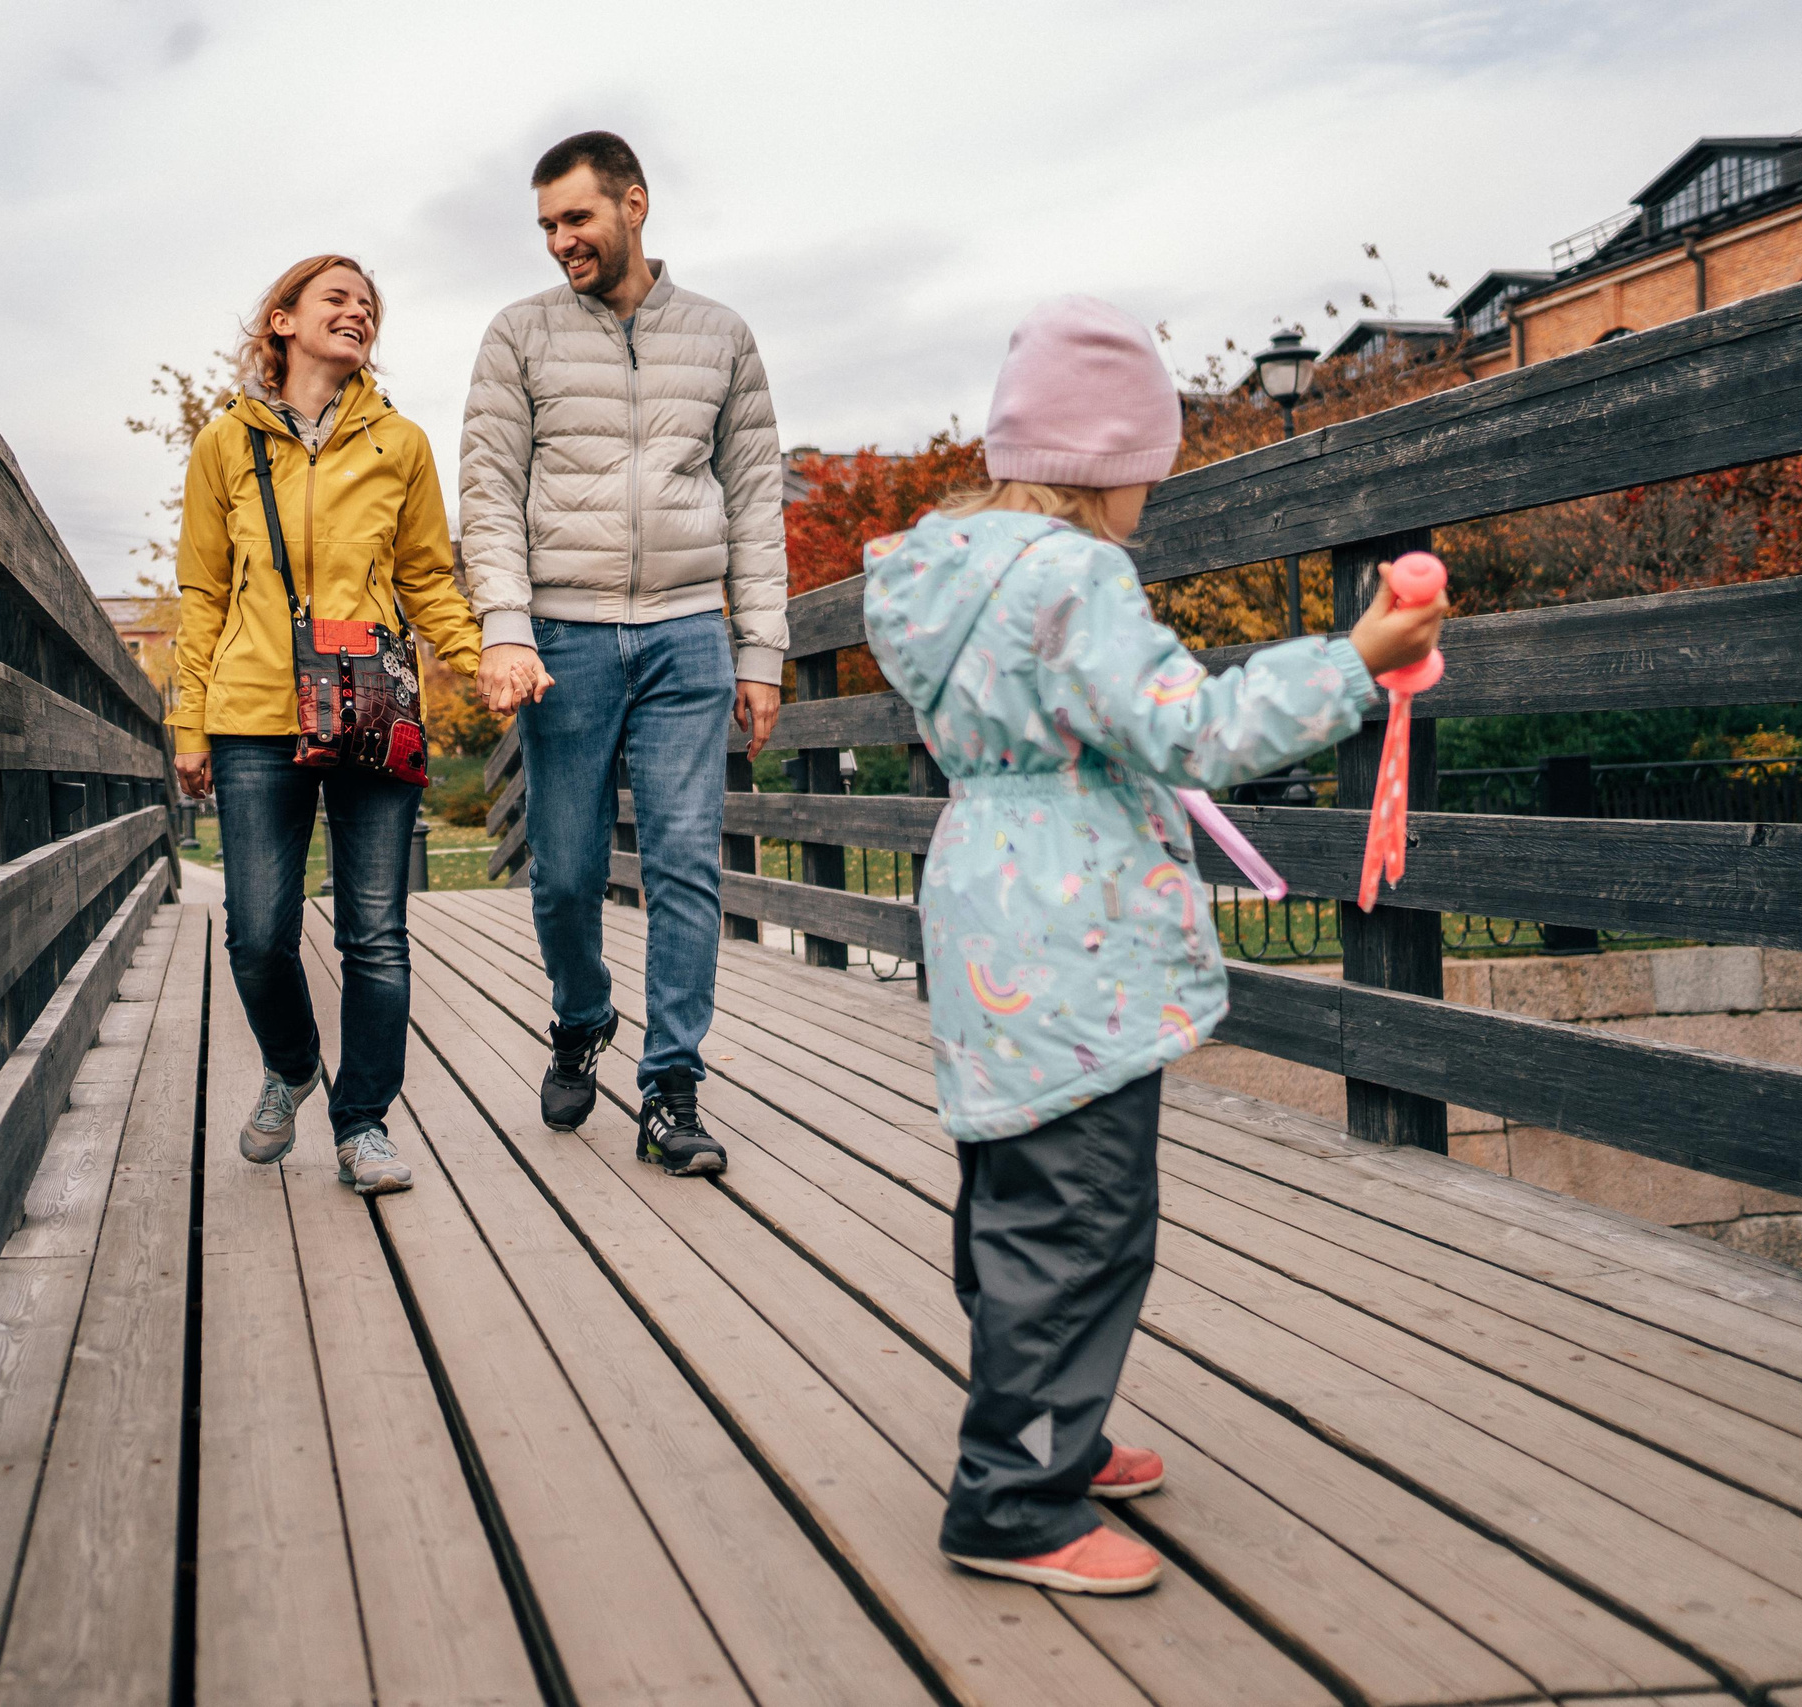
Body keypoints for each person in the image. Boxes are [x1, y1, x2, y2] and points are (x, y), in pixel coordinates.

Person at [861, 297, 1446, 1593]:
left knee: (1017, 1194)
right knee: (1085, 1214)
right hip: (1074, 928)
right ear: (1108, 460)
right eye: (1147, 474)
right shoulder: (1075, 578)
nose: (1147, 503)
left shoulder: (944, 574)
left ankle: (1054, 1429)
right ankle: (1011, 1497)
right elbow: (1196, 729)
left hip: (984, 900)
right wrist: (1355, 660)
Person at [459, 130, 787, 1176]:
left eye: (577, 218)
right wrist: (505, 625)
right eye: (547, 225)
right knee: (565, 873)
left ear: (633, 204)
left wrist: (761, 649)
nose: (561, 240)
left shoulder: (722, 336)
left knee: (687, 863)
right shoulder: (519, 335)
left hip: (689, 634)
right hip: (565, 637)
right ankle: (582, 1012)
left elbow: (757, 501)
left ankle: (671, 1089)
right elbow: (488, 493)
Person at [170, 254, 483, 1195]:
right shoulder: (225, 443)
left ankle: (364, 1125)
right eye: (336, 298)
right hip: (255, 713)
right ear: (283, 319)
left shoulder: (401, 444)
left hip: (370, 705)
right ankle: (294, 1062)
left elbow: (429, 579)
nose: (358, 312)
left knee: (375, 932)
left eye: (368, 304)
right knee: (257, 933)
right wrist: (190, 724)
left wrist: (483, 660)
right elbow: (202, 594)